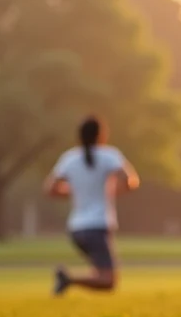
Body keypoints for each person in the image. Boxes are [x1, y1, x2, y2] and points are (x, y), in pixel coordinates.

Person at [43, 115, 139, 296]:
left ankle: (68, 280)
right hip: (98, 225)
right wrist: (112, 191)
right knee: (108, 280)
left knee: (103, 274)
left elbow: (50, 189)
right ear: (101, 135)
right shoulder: (109, 156)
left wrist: (74, 192)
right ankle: (67, 279)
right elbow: (131, 181)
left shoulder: (69, 158)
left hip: (77, 228)